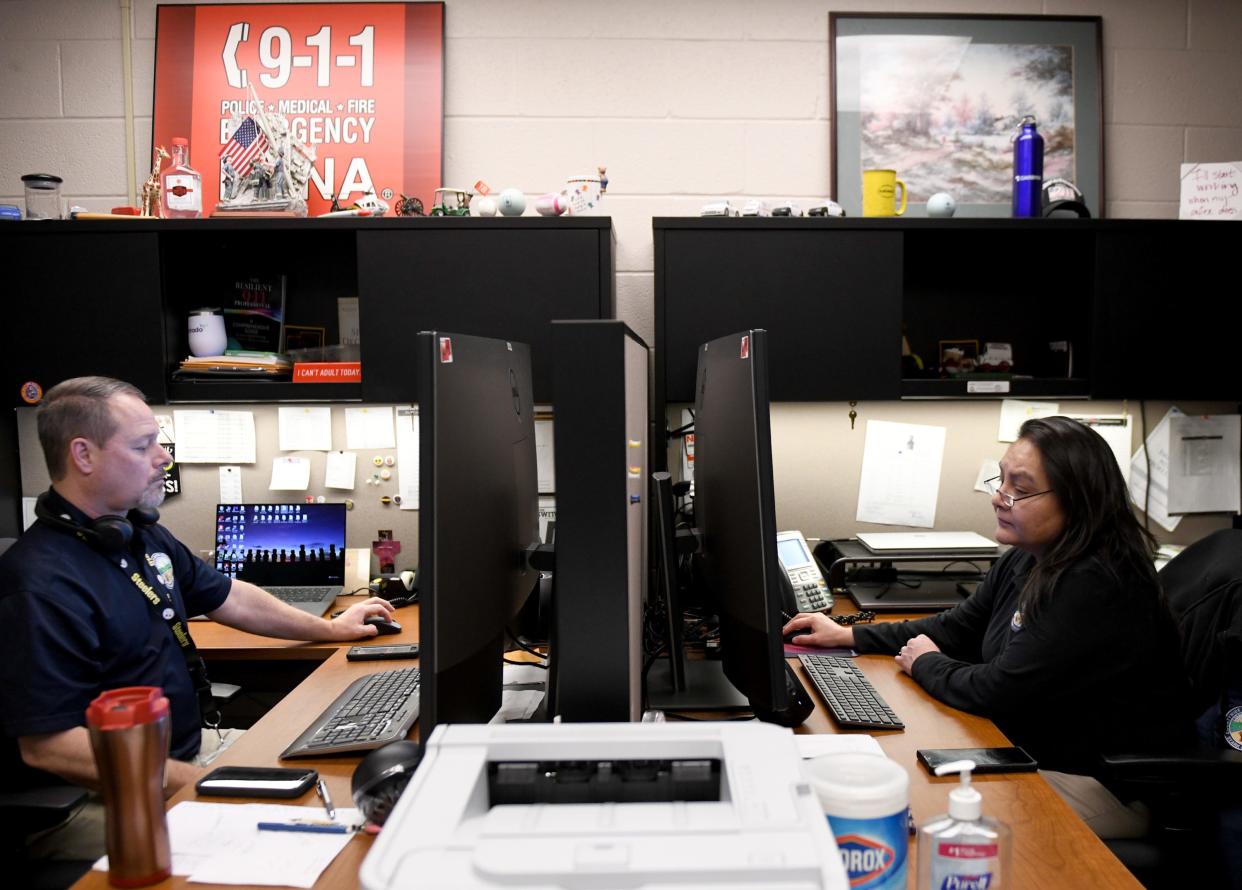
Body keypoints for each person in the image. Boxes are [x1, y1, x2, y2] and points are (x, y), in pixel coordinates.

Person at [783, 416, 1192, 838]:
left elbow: (996, 690)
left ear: (1078, 501)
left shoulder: (1096, 584)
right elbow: (958, 627)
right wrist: (847, 635)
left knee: (924, 816)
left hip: (1103, 784)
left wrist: (925, 663)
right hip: (1032, 750)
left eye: (1022, 489)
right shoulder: (1031, 556)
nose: (1001, 498)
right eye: (1002, 481)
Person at [0, 377, 396, 803]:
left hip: (188, 756)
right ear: (83, 455)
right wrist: (200, 785)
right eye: (142, 446)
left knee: (350, 778)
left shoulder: (139, 534)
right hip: (109, 796)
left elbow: (232, 597)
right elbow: (49, 747)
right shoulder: (38, 583)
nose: (162, 460)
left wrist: (334, 629)